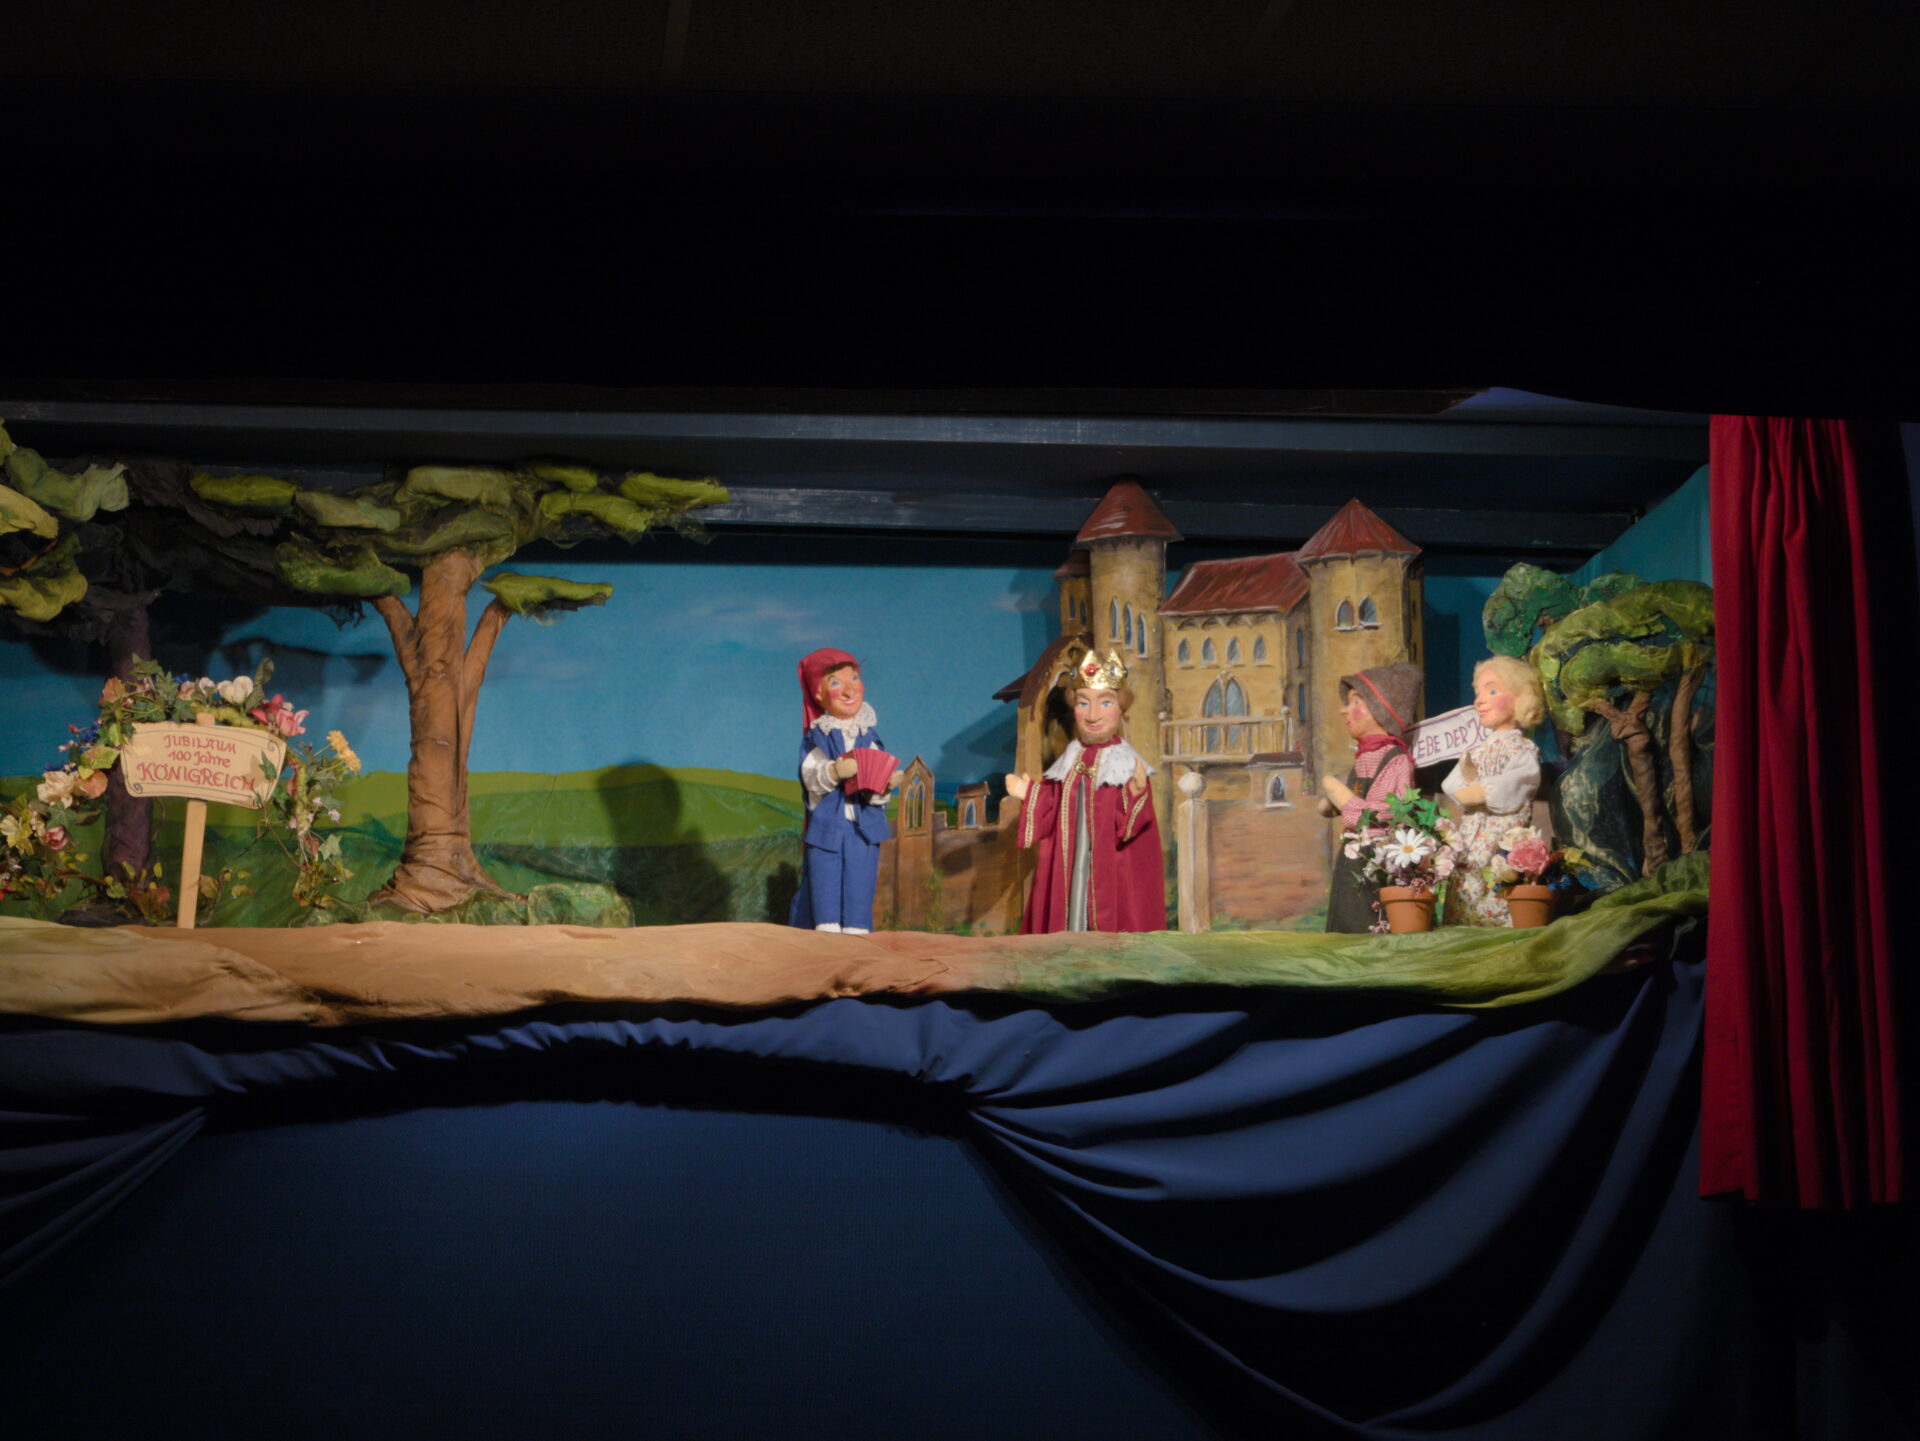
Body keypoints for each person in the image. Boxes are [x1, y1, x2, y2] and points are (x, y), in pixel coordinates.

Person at [1005, 647, 1164, 934]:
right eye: (1083, 703)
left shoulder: (1125, 763)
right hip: (1069, 863)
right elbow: (1054, 805)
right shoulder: (1071, 758)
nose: (1092, 715)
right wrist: (1030, 793)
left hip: (1110, 868)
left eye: (1105, 703)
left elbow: (1130, 828)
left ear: (1120, 708)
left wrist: (1135, 794)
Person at [789, 647, 893, 934]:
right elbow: (811, 776)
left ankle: (857, 931)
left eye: (854, 678)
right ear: (819, 694)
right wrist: (834, 772)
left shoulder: (869, 736)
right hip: (828, 826)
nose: (849, 690)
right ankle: (827, 932)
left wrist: (884, 785)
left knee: (861, 879)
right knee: (825, 879)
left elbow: (876, 789)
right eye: (836, 682)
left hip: (863, 827)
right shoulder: (819, 736)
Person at [1318, 662, 1424, 934]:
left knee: (1366, 924)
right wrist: (1335, 803)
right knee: (1344, 922)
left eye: (1356, 702)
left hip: (1375, 860)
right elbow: (1358, 793)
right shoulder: (1364, 757)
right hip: (1352, 856)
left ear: (1381, 710)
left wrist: (1347, 803)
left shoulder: (1396, 759)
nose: (1344, 710)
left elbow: (1395, 810)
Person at [1441, 655, 1546, 926]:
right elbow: (1451, 785)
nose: (1479, 700)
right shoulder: (1478, 750)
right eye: (1478, 693)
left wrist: (1482, 790)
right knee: (1466, 877)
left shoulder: (1521, 748)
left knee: (1497, 876)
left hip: (1501, 833)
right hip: (1471, 835)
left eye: (1492, 691)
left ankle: (1496, 925)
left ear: (1520, 698)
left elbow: (1520, 782)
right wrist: (1468, 777)